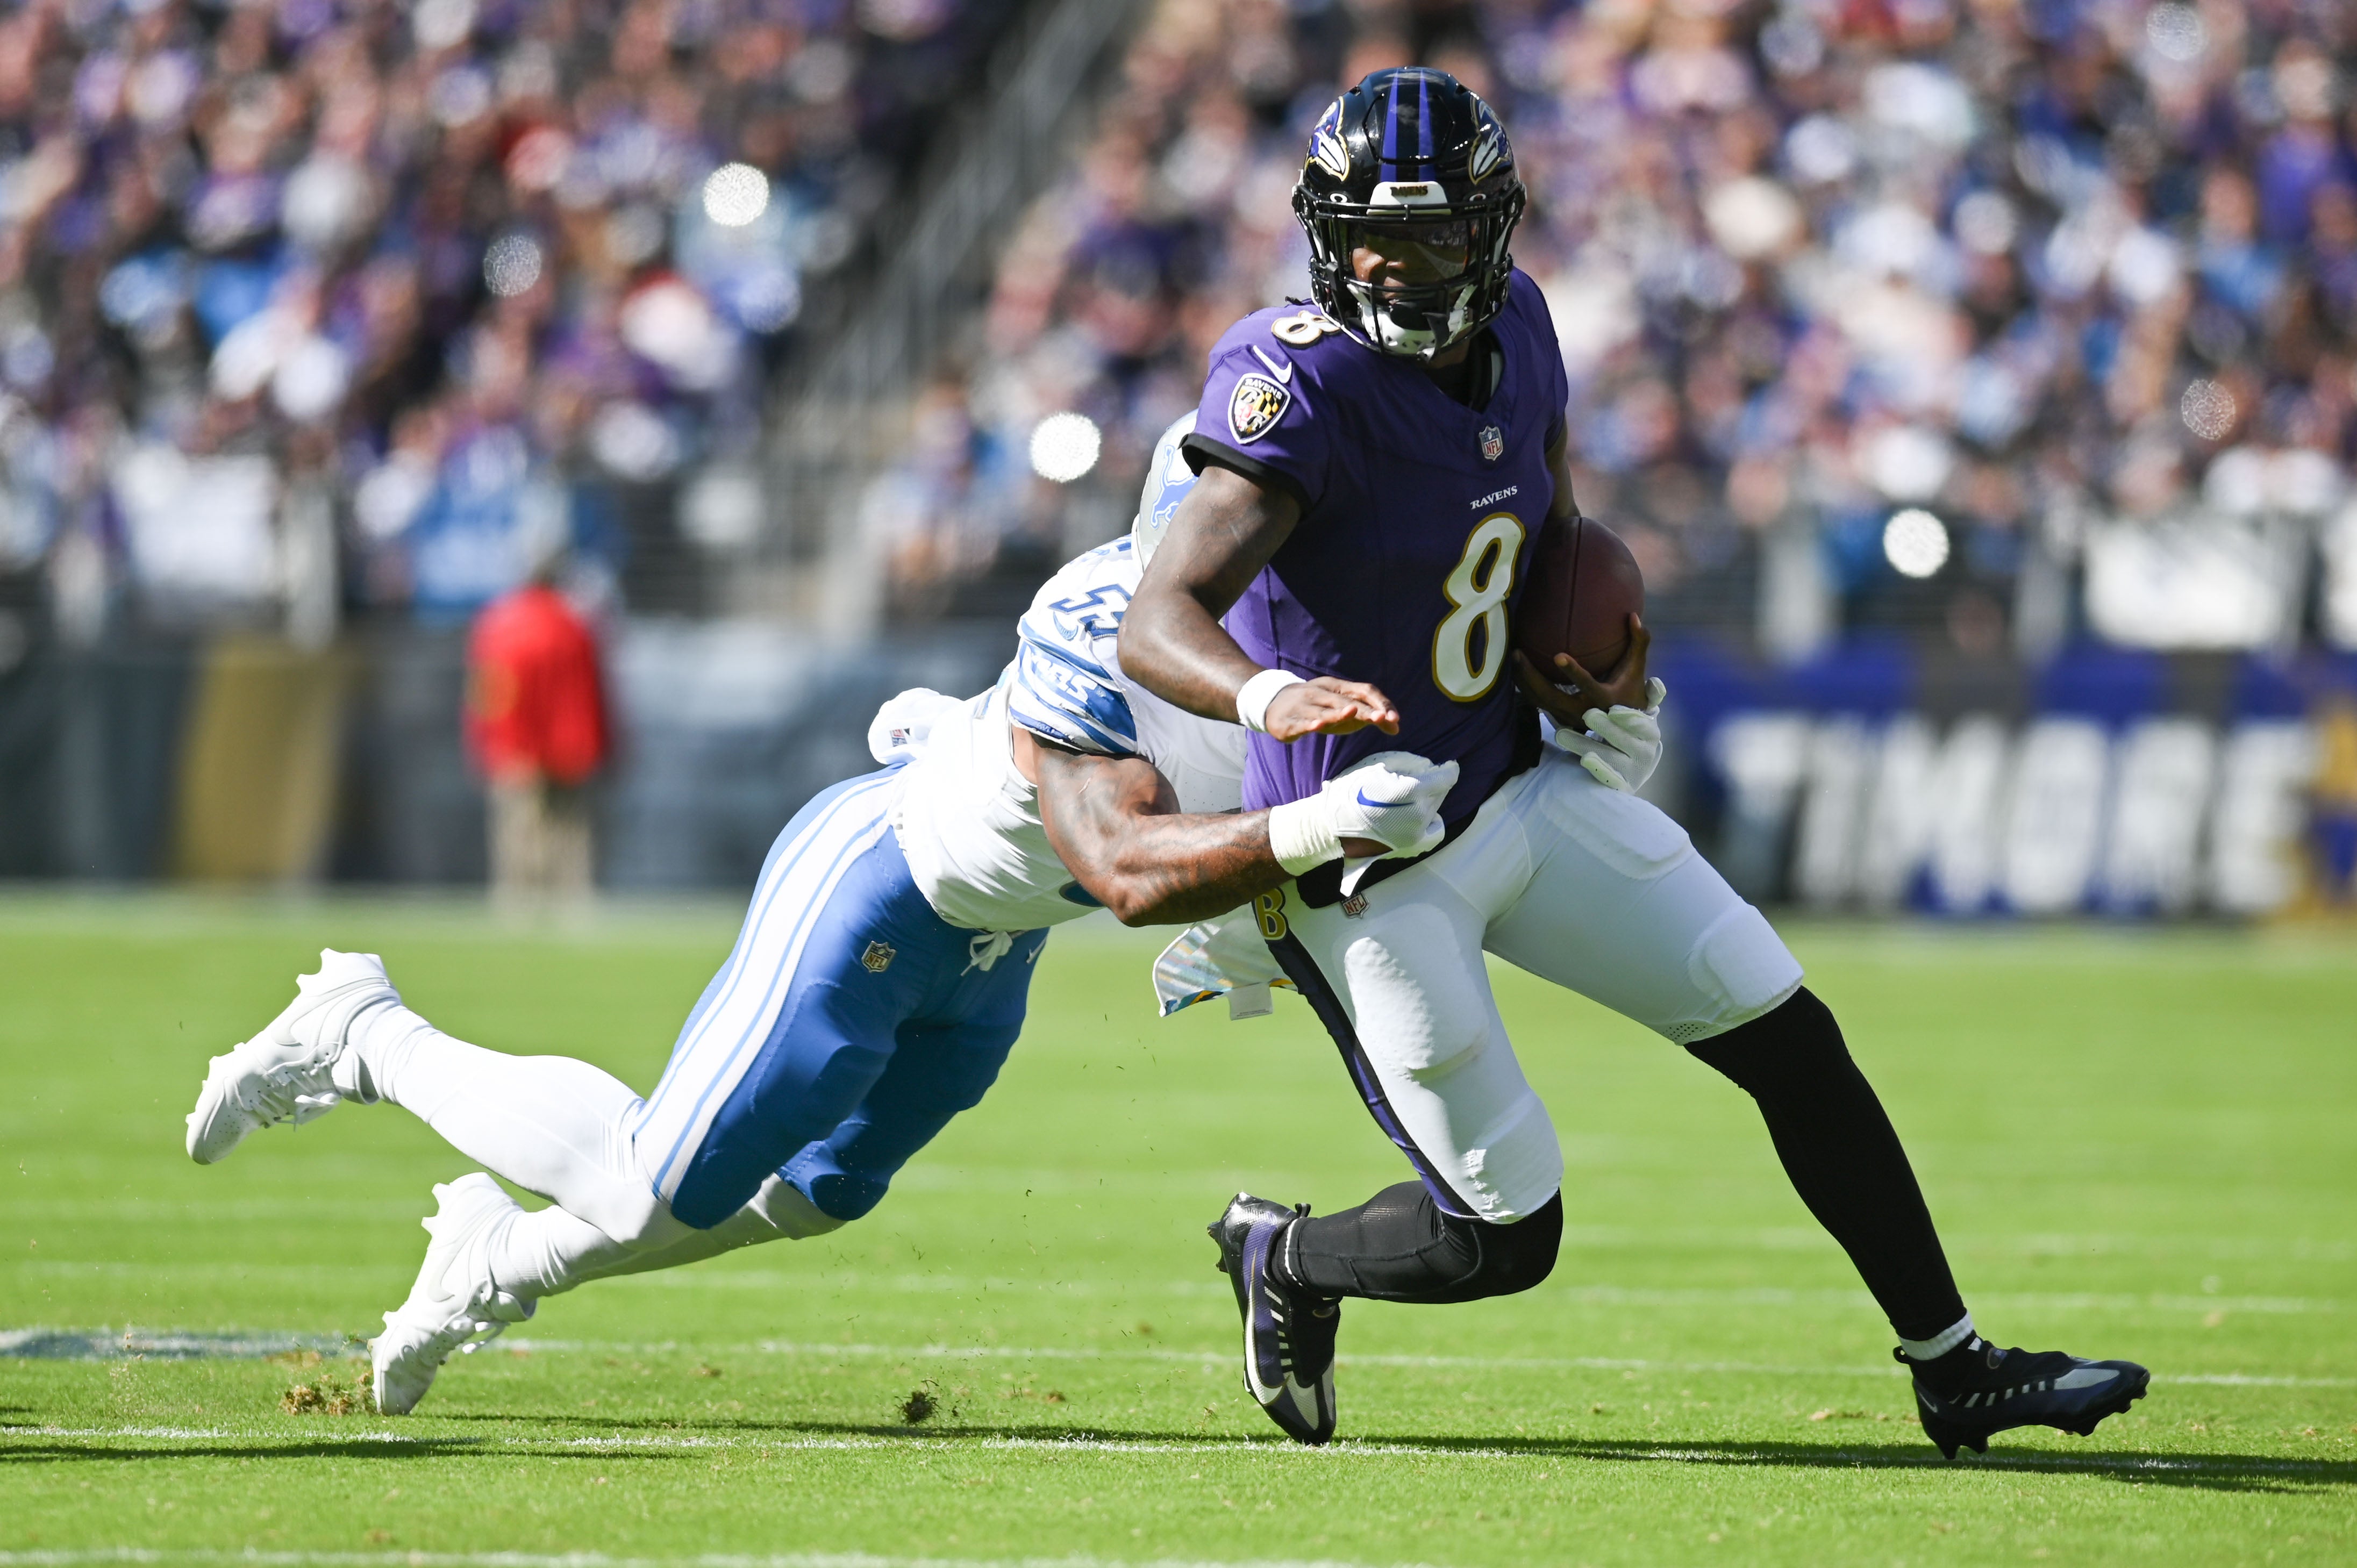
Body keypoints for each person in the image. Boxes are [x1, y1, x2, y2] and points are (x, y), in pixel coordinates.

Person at [1119, 67, 2148, 1457]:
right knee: (1508, 1233)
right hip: (1365, 852)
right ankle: (1287, 1257)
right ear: (1323, 234)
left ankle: (1953, 1365)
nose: (1398, 266)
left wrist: (1598, 674)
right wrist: (1269, 692)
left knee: (1786, 1027)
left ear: (1493, 230)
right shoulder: (1301, 384)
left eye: (1432, 238)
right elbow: (1157, 617)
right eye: (1373, 237)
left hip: (1512, 785)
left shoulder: (1527, 325)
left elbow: (1548, 520)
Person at [180, 416, 1554, 1416]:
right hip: (882, 887)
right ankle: (367, 1030)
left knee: (812, 1191)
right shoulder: (1114, 629)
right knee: (667, 1175)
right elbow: (1128, 853)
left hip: (994, 941)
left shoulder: (1259, 649)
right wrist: (1302, 835)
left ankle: (488, 1254)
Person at [465, 568, 610, 904]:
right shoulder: (575, 627)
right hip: (571, 746)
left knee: (518, 833)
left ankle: (518, 905)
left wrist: (493, 743)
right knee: (570, 836)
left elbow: (490, 693)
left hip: (515, 746)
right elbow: (589, 694)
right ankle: (573, 906)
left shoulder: (498, 626)